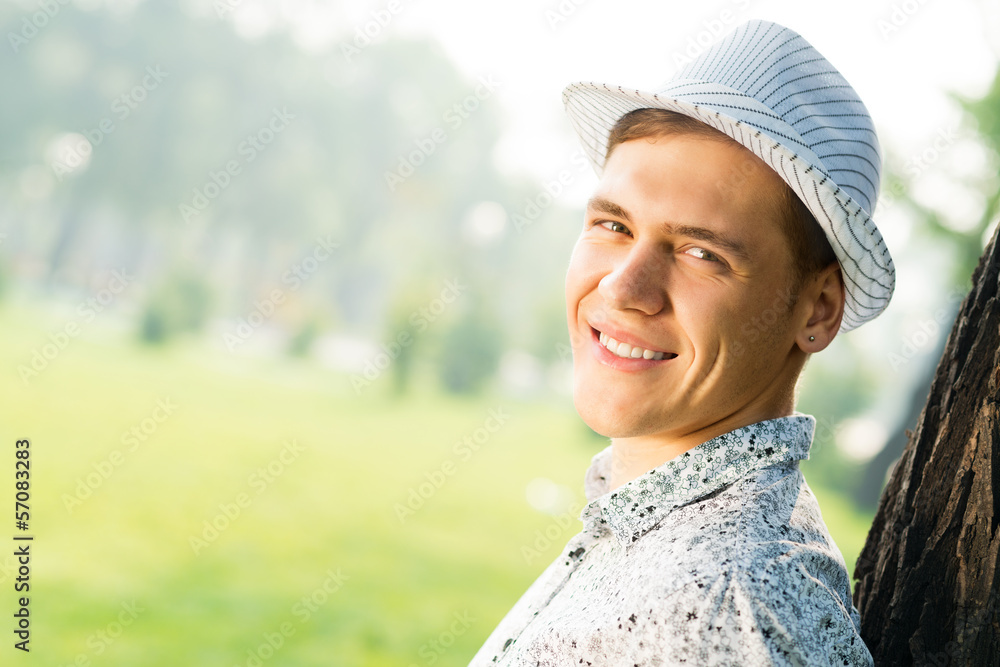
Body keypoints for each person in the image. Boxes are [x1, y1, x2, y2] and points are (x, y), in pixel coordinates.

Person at [468, 19, 893, 666]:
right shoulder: (663, 529)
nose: (624, 286)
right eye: (613, 224)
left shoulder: (729, 601)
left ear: (820, 308)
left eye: (701, 252)